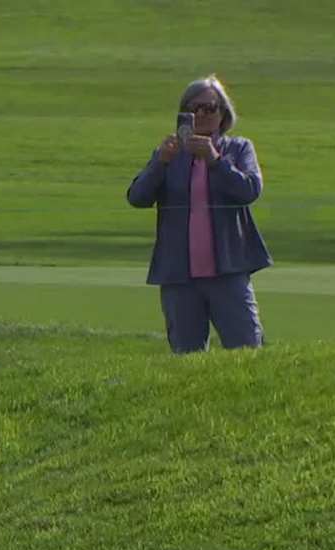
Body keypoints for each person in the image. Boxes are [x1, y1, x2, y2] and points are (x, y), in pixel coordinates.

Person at [127, 75, 270, 354]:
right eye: (193, 109)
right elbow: (137, 197)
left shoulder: (238, 148)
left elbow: (250, 190)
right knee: (186, 359)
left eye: (209, 108)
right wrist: (159, 163)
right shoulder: (170, 154)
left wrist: (215, 161)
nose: (200, 115)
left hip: (227, 271)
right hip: (179, 276)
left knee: (246, 352)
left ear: (223, 114)